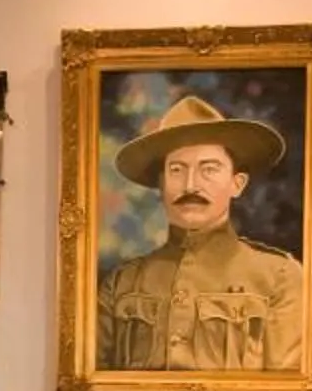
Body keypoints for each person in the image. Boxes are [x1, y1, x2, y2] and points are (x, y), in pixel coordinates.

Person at [95, 94, 301, 371]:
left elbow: (289, 389)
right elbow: (92, 383)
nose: (190, 185)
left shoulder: (279, 278)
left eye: (209, 169)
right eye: (176, 170)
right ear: (161, 185)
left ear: (237, 184)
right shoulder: (121, 284)